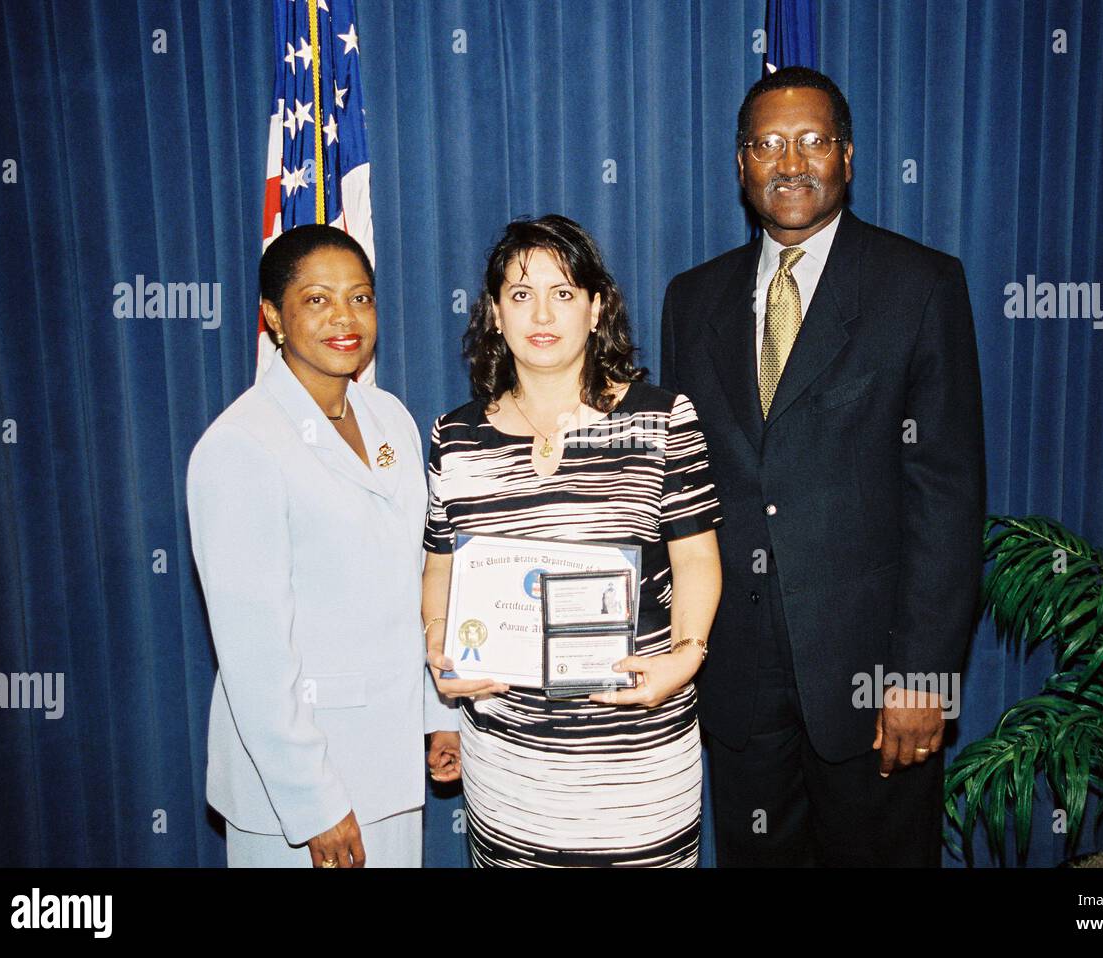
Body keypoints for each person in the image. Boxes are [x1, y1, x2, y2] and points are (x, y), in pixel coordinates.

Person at [660, 66, 985, 866]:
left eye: (812, 141)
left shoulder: (920, 285)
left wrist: (925, 680)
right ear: (741, 166)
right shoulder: (691, 299)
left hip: (877, 682)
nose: (790, 162)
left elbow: (947, 498)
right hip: (738, 685)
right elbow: (680, 494)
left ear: (846, 155)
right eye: (768, 144)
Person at [421, 214, 723, 867]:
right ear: (494, 314)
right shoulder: (455, 437)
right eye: (520, 293)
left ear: (596, 307)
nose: (541, 312)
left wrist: (688, 654)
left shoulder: (662, 419)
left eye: (563, 292)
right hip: (509, 773)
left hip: (639, 766)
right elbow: (438, 565)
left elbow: (696, 556)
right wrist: (441, 644)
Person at [186, 224, 457, 868]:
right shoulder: (239, 447)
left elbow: (412, 583)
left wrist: (436, 714)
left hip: (388, 763)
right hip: (299, 790)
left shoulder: (389, 415)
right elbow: (254, 656)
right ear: (273, 316)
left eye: (360, 297)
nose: (345, 317)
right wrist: (312, 801)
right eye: (317, 299)